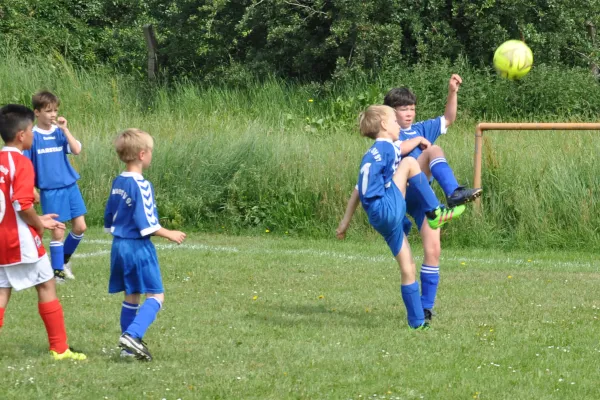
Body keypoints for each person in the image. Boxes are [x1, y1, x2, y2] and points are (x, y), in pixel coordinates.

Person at [337, 75, 481, 321]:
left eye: (412, 109)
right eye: (403, 110)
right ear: (388, 115)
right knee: (415, 158)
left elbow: (449, 119)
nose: (409, 114)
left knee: (433, 250)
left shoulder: (421, 129)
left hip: (421, 199)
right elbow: (361, 186)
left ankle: (425, 309)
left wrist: (452, 92)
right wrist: (345, 220)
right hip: (397, 199)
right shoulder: (387, 142)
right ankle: (432, 209)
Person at [353, 105, 465, 329]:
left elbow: (360, 188)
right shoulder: (387, 148)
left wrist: (345, 222)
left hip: (377, 217)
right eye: (394, 121)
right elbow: (403, 151)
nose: (398, 125)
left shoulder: (370, 155)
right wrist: (419, 141)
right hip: (386, 207)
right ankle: (436, 210)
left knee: (408, 268)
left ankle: (417, 323)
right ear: (384, 125)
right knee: (409, 163)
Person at [0, 104, 86, 360]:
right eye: (30, 131)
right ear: (21, 135)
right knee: (47, 284)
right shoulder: (21, 164)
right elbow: (22, 204)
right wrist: (39, 222)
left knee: (2, 290)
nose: (33, 135)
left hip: (1, 239)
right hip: (20, 239)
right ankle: (60, 349)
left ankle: (60, 348)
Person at [104, 128, 186, 361]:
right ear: (142, 154)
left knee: (132, 296)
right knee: (156, 296)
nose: (151, 154)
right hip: (138, 248)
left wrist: (117, 230)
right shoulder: (142, 185)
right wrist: (170, 233)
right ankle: (133, 335)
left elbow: (109, 216)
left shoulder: (118, 181)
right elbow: (147, 223)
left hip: (118, 245)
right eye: (150, 151)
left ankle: (127, 348)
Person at [24, 91, 87, 282]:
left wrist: (65, 130)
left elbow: (76, 150)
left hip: (70, 185)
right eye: (48, 111)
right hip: (50, 190)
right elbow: (26, 167)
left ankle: (64, 261)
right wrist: (31, 189)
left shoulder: (59, 132)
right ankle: (57, 272)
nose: (53, 114)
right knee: (58, 231)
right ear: (37, 112)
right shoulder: (32, 137)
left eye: (55, 110)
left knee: (80, 227)